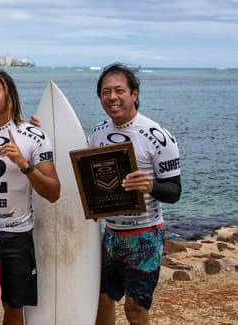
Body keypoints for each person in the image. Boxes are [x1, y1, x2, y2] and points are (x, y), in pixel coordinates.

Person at [90, 64, 181, 325]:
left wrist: (151, 186)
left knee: (135, 309)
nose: (112, 97)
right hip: (111, 234)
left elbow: (174, 191)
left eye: (119, 90)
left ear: (134, 93)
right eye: (106, 91)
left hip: (146, 236)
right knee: (102, 301)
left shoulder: (158, 137)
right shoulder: (96, 134)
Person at [0, 68, 60, 325]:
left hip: (16, 235)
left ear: (9, 93)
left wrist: (24, 164)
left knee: (13, 307)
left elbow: (53, 192)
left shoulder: (33, 135)